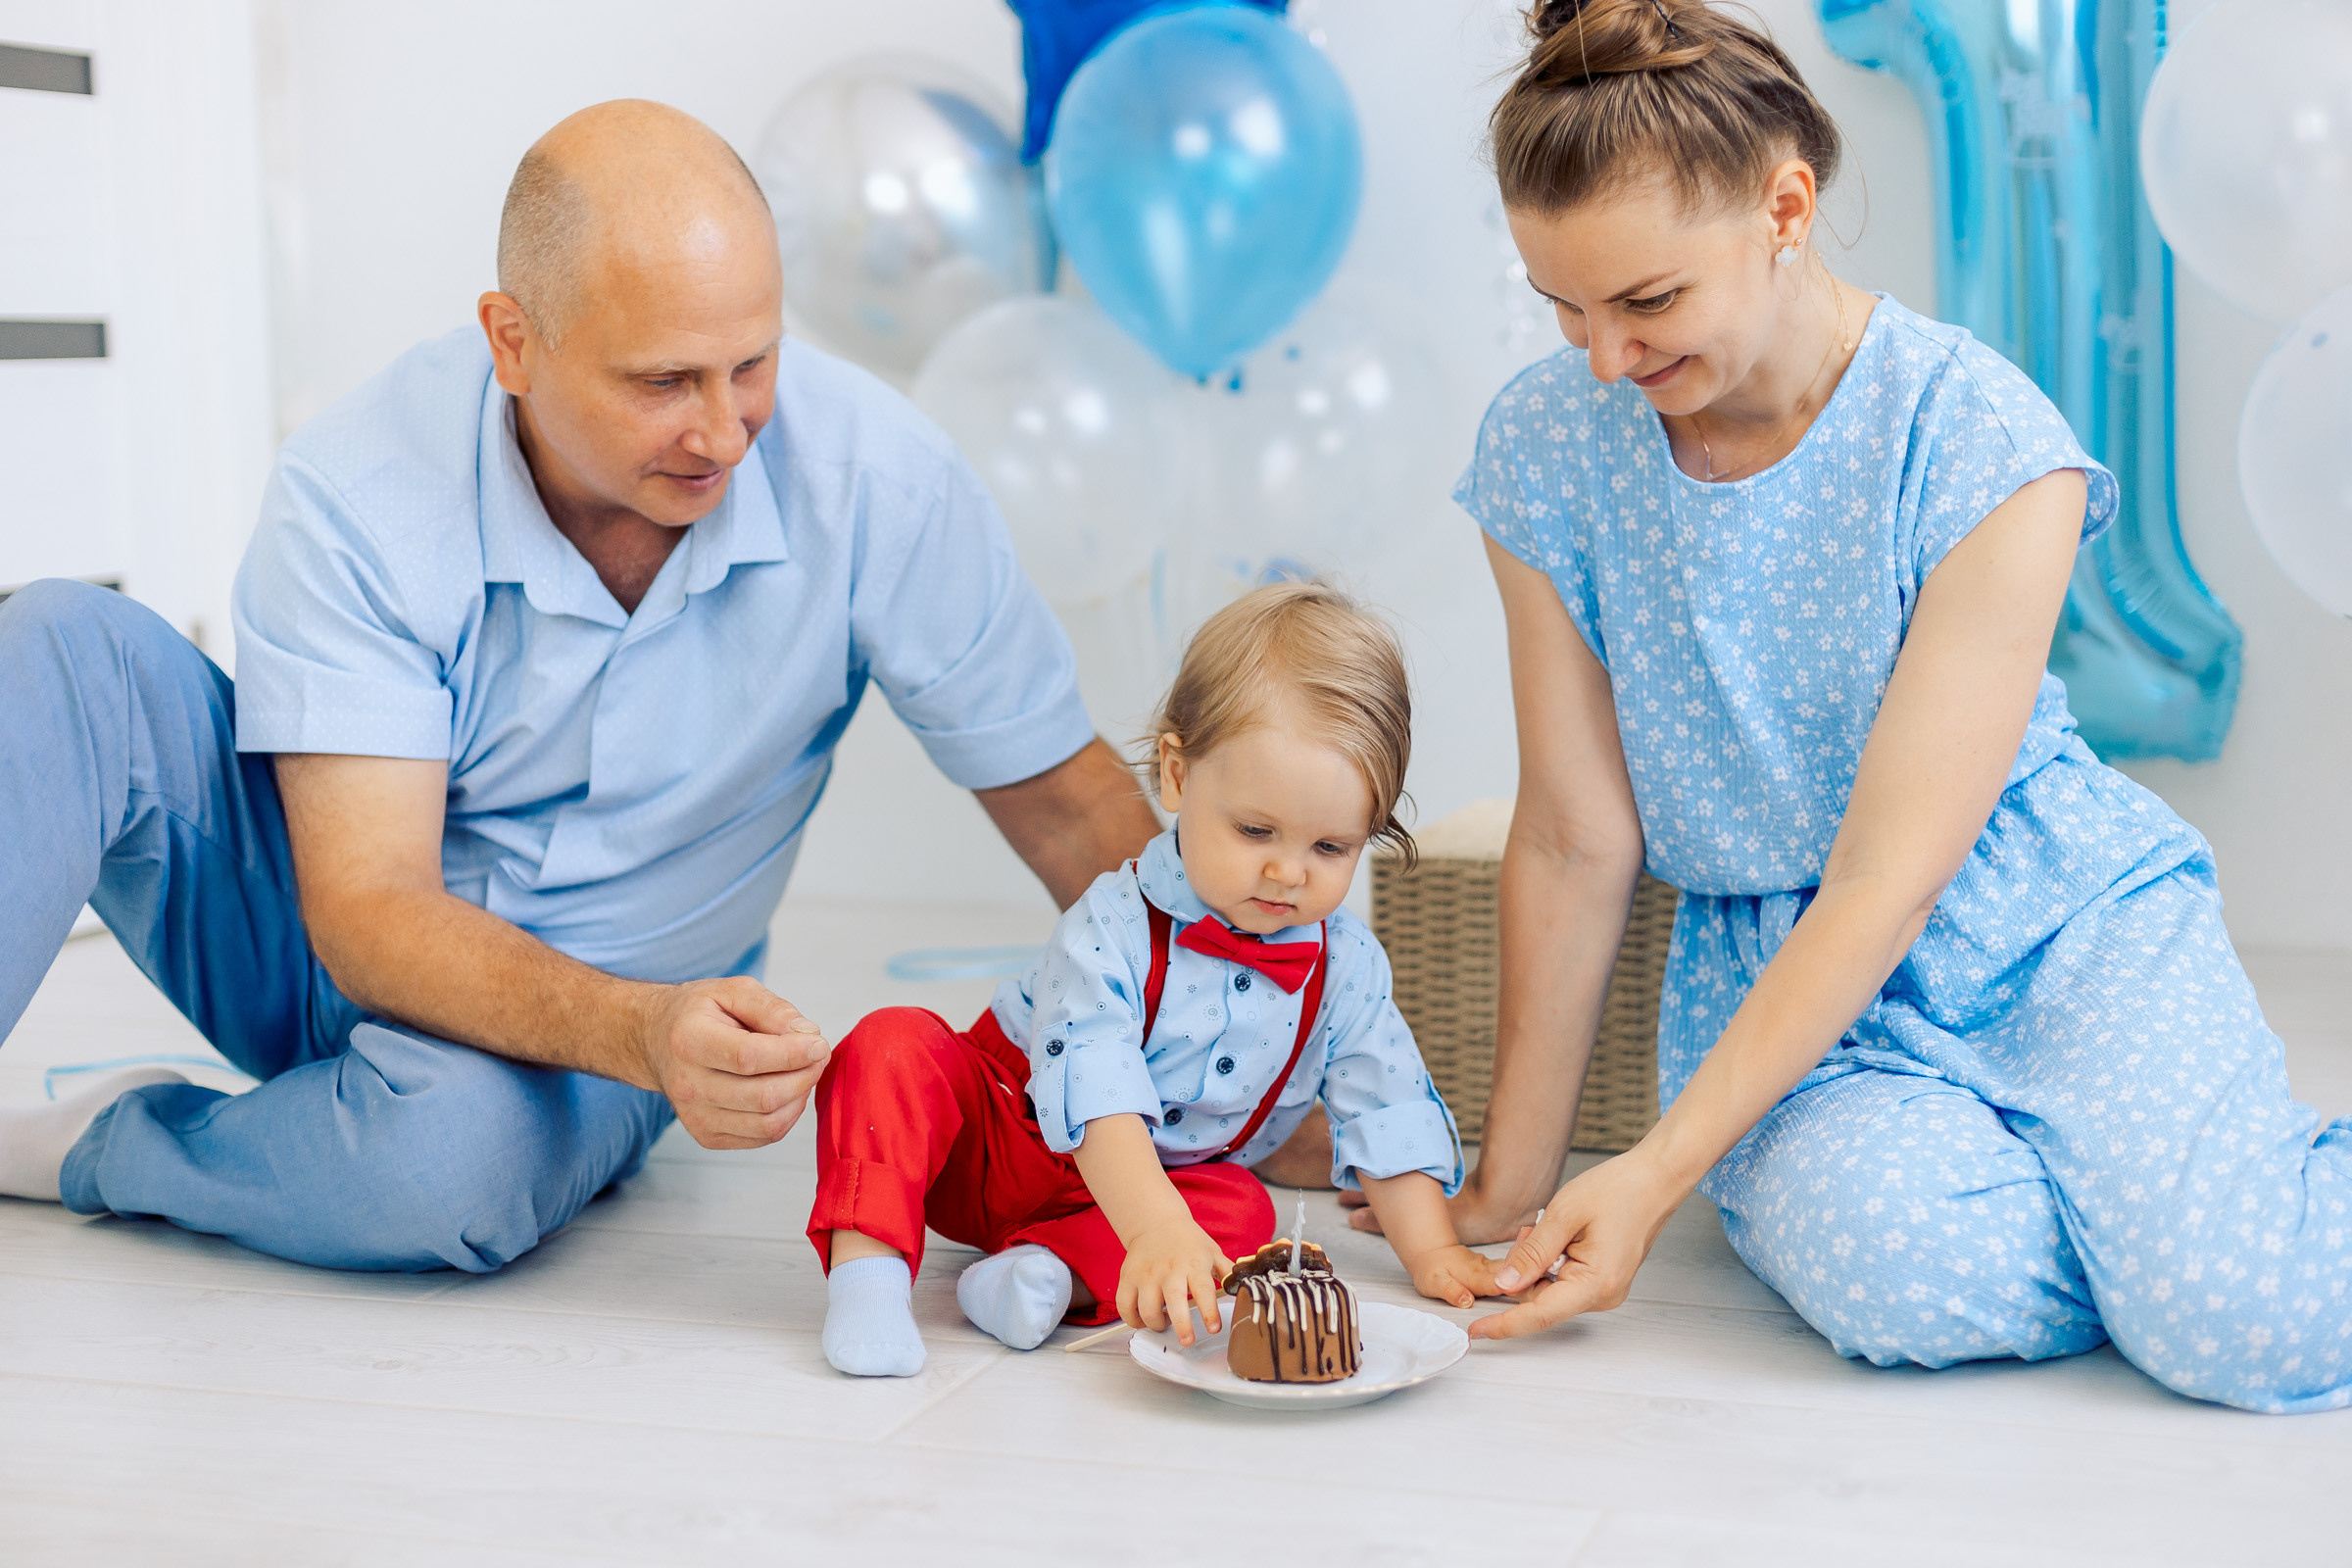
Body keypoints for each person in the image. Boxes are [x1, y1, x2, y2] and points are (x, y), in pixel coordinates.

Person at [0, 100, 1160, 1271]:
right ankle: (307, 1134)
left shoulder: (881, 483)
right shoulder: (358, 489)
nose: (724, 432)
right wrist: (643, 1028)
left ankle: (111, 1143)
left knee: (442, 1172)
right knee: (60, 642)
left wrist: (1276, 1064)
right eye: (664, 381)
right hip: (329, 945)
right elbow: (366, 911)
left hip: (587, 1045)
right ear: (513, 341)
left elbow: (1065, 803)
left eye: (751, 363)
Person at [1410, 0, 2352, 1413]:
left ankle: (2210, 1237)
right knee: (1893, 1270)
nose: (1603, 356)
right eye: (1566, 307)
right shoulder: (1547, 445)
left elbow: (1885, 881)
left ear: (1785, 205)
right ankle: (2173, 1221)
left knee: (2249, 1330)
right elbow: (1572, 836)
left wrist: (1656, 1173)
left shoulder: (1982, 440)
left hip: (2048, 927)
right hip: (1773, 972)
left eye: (1648, 301)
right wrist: (1514, 1181)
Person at [807, 583, 1498, 1377]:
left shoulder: (1344, 966)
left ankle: (1043, 1277)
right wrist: (1156, 1228)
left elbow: (1387, 1100)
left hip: (1150, 1187)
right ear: (1177, 775)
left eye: (1330, 848)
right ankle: (868, 1279)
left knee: (1242, 1215)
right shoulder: (1112, 924)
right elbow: (1096, 1081)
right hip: (999, 1140)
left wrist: (1435, 1250)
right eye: (1254, 830)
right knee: (891, 1044)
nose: (1285, 872)